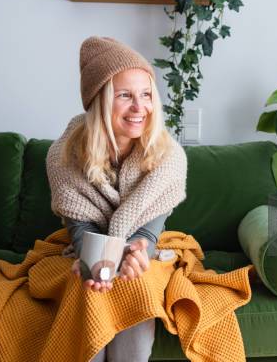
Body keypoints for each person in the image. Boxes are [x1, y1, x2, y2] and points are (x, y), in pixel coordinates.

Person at [45, 36, 188, 362]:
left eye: (146, 95)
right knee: (89, 290)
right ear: (100, 100)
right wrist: (96, 262)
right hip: (87, 245)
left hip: (141, 251)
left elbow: (148, 233)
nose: (140, 108)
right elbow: (79, 228)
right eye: (125, 96)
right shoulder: (64, 156)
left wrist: (134, 254)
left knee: (134, 286)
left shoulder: (168, 156)